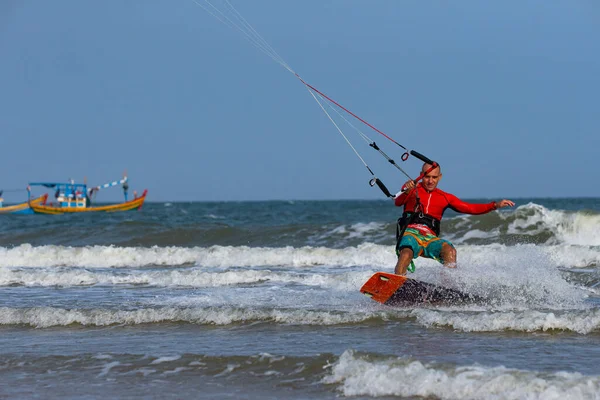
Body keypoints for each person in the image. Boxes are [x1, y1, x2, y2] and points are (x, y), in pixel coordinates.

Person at [394, 163, 514, 275]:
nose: (430, 181)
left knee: (449, 250)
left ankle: (448, 289)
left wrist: (494, 206)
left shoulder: (445, 197)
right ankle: (396, 283)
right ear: (421, 175)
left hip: (430, 237)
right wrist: (406, 190)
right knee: (406, 253)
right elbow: (398, 202)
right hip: (411, 233)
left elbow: (469, 208)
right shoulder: (412, 189)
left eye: (434, 177)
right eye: (427, 177)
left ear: (440, 177)